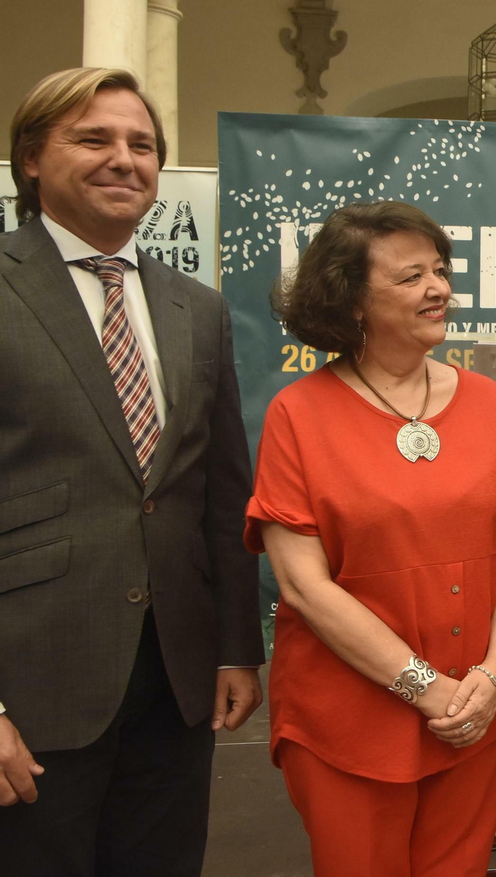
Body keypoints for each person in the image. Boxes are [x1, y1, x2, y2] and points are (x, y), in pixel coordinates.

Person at [0, 67, 263, 876]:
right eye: (94, 139)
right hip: (31, 688)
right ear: (32, 159)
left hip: (174, 687)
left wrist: (234, 649)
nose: (124, 159)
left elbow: (221, 492)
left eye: (142, 145)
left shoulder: (199, 308)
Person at [246, 201, 496, 877]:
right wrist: (425, 688)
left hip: (476, 712)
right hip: (350, 720)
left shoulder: (489, 401)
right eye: (411, 277)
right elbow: (302, 585)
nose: (438, 289)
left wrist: (494, 673)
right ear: (350, 302)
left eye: (440, 271)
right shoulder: (297, 414)